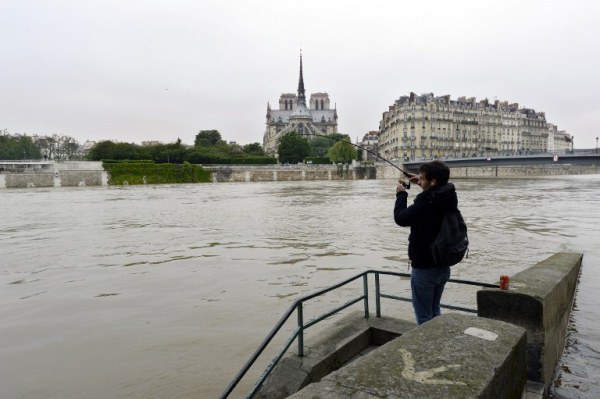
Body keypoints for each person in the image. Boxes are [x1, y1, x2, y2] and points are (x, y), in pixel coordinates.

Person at [394, 160, 458, 325]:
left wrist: (401, 194)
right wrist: (422, 183)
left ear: (433, 181)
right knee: (435, 311)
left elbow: (401, 218)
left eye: (422, 178)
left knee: (423, 318)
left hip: (424, 269)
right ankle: (439, 344)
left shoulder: (424, 203)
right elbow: (434, 194)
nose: (419, 180)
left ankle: (429, 349)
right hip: (443, 266)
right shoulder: (449, 197)